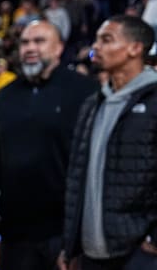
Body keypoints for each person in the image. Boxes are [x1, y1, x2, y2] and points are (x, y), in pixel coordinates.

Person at [0, 20, 98, 269]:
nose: (30, 48)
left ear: (58, 48)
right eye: (25, 42)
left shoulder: (86, 91)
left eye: (39, 41)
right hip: (15, 228)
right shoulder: (4, 96)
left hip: (66, 229)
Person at [59, 15, 157, 270]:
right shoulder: (92, 104)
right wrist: (70, 245)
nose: (96, 47)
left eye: (107, 40)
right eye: (97, 40)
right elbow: (76, 178)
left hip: (140, 253)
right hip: (91, 253)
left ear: (135, 48)